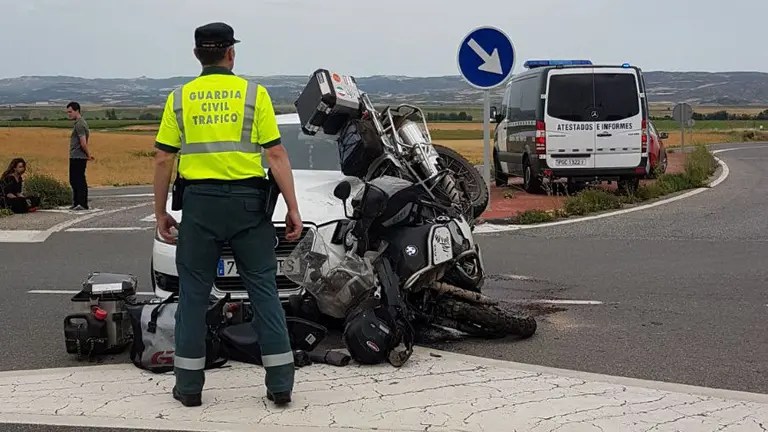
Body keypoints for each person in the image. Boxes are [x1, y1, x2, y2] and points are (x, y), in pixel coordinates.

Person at [152, 22, 302, 409]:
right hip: (249, 207)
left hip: (199, 206)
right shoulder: (254, 94)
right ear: (231, 53)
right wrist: (292, 207)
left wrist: (161, 212)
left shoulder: (180, 98)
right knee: (264, 292)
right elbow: (275, 155)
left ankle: (189, 387)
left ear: (197, 54)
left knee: (192, 296)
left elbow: (164, 158)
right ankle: (280, 384)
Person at [66, 102, 94, 210]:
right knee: (74, 180)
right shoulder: (79, 123)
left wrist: (88, 155)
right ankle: (77, 202)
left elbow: (83, 142)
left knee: (79, 180)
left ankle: (82, 203)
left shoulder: (80, 124)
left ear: (77, 111)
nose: (69, 114)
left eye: (70, 112)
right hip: (76, 155)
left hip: (78, 156)